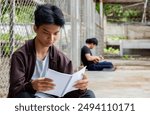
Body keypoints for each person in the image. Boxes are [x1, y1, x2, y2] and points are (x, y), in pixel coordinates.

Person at [8, 4, 95, 98]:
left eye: (56, 33)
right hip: (32, 102)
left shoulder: (62, 59)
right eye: (46, 33)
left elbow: (69, 93)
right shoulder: (20, 56)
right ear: (35, 28)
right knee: (23, 96)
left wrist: (81, 88)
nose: (51, 39)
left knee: (89, 94)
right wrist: (32, 86)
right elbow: (15, 90)